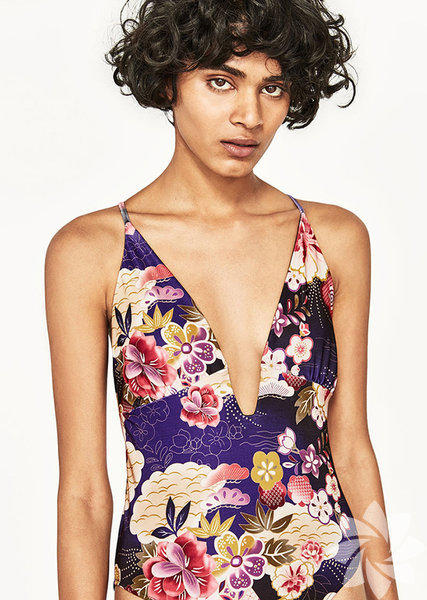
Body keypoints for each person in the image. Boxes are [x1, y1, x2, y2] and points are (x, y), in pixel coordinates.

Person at [44, 1, 399, 599]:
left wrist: (388, 591)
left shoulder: (334, 239)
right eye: (221, 81)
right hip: (166, 581)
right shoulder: (92, 251)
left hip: (330, 583)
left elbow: (352, 447)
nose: (249, 115)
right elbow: (82, 490)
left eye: (272, 88)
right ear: (168, 83)